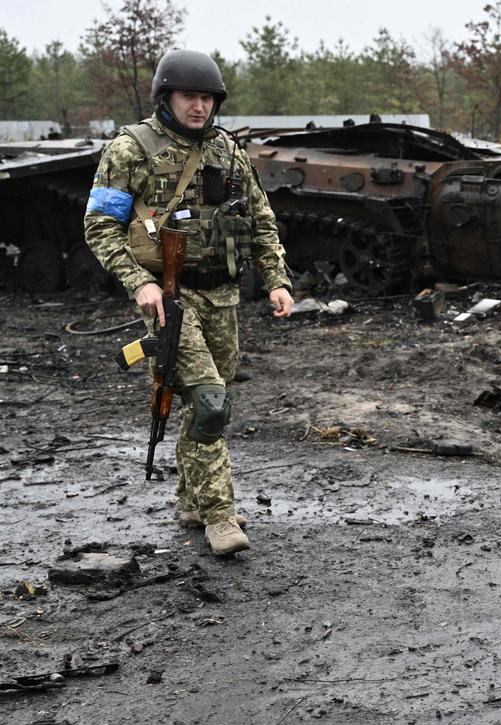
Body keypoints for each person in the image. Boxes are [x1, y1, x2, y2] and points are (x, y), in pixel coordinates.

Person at [84, 50, 294, 556]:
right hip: (167, 295)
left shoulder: (227, 150)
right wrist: (140, 283)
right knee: (208, 400)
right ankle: (221, 517)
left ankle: (192, 500)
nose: (199, 107)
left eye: (206, 98)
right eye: (189, 97)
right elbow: (99, 225)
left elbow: (260, 219)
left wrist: (276, 280)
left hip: (222, 293)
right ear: (166, 97)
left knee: (210, 400)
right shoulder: (131, 148)